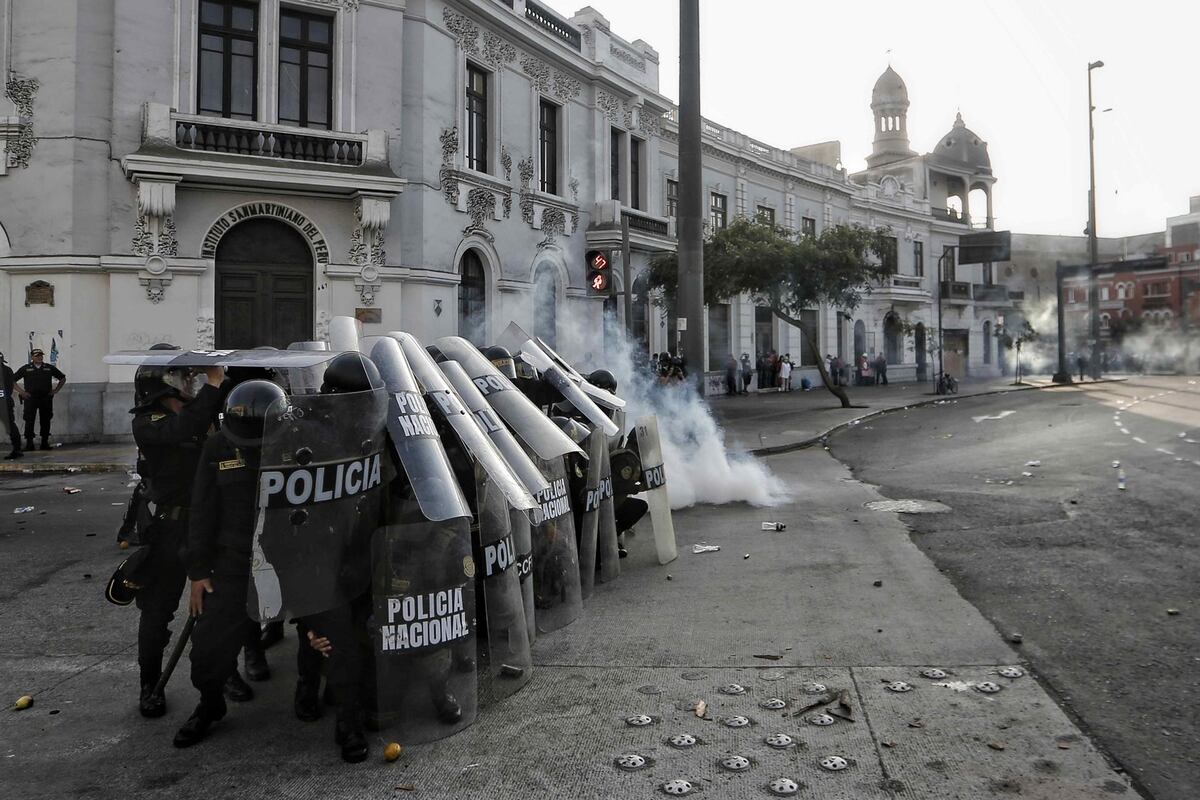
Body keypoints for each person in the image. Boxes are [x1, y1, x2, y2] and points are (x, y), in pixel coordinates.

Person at [174, 379, 286, 750]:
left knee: (335, 636)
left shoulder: (296, 444)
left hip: (289, 559)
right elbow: (202, 512)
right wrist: (198, 572)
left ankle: (329, 701)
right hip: (234, 562)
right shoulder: (218, 446)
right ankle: (210, 703)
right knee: (206, 652)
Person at [128, 353, 225, 718]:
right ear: (163, 381)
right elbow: (183, 430)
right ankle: (149, 682)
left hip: (205, 524)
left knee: (219, 605)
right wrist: (213, 385)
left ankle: (223, 676)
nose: (191, 382)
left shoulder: (197, 412)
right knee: (157, 611)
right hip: (170, 527)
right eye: (184, 376)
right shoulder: (149, 422)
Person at [13, 348, 66, 450]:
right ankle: (29, 443)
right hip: (31, 398)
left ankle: (44, 443)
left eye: (41, 355)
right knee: (29, 420)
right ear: (32, 357)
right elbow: (12, 380)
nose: (40, 357)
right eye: (37, 356)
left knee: (46, 420)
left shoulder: (49, 368)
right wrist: (22, 392)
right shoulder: (26, 368)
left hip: (45, 398)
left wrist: (55, 390)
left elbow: (62, 378)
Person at [1, 352, 21, 459]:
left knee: (11, 426)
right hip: (6, 402)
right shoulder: (8, 370)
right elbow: (10, 386)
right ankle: (17, 449)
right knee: (11, 426)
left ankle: (17, 450)